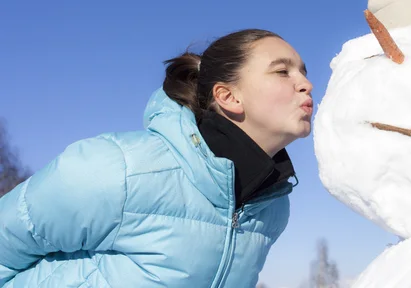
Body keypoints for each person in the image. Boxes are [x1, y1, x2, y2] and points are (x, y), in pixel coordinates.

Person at [0, 29, 313, 288]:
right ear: (228, 96)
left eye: (303, 72)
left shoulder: (271, 207)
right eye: (282, 71)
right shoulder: (116, 168)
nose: (306, 84)